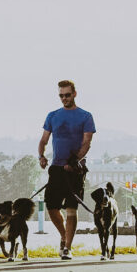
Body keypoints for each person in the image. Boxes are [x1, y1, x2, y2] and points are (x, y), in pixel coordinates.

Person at [38, 80, 95, 260]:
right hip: (56, 168)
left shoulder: (85, 116)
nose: (64, 98)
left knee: (71, 209)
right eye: (61, 95)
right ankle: (64, 236)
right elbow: (44, 140)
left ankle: (67, 248)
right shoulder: (53, 115)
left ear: (74, 94)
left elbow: (87, 142)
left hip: (75, 170)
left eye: (67, 95)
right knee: (52, 207)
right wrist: (41, 156)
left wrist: (75, 160)